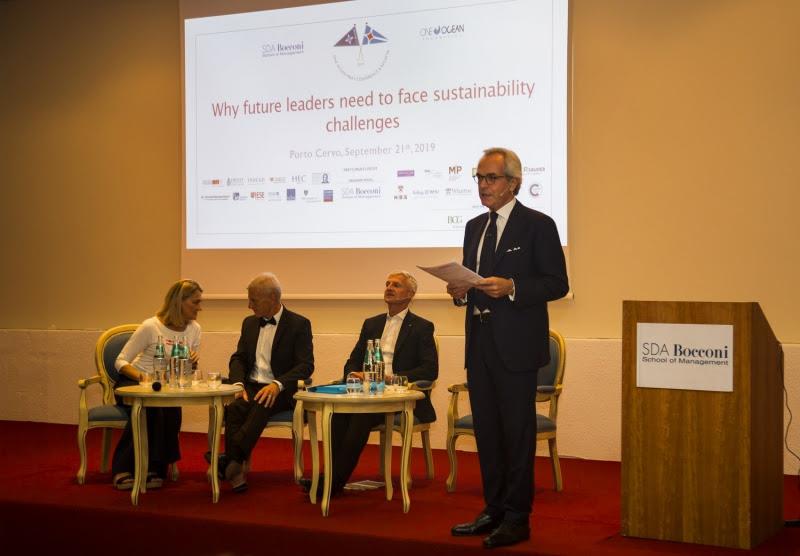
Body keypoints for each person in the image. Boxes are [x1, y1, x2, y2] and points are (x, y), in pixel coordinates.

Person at [447, 148, 569, 549]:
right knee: (488, 431)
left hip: (516, 348)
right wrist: (460, 291)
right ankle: (494, 508)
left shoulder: (538, 225)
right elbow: (469, 281)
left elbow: (556, 283)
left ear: (513, 182)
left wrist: (513, 287)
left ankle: (518, 517)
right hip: (480, 345)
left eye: (491, 178)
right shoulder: (472, 227)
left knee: (516, 434)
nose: (483, 185)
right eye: (479, 178)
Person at [300, 271, 438, 497]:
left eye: (396, 285)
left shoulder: (422, 327)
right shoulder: (371, 323)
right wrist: (352, 373)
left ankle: (331, 483)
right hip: (366, 392)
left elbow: (429, 370)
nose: (389, 288)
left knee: (360, 416)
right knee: (338, 414)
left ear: (411, 294)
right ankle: (332, 478)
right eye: (387, 284)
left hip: (397, 397)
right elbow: (352, 360)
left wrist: (390, 377)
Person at [219, 272, 314, 493]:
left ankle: (228, 460)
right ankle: (235, 469)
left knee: (264, 401)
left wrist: (278, 384)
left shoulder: (299, 324)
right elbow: (239, 357)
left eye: (253, 300)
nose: (248, 305)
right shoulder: (249, 323)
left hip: (281, 390)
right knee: (235, 407)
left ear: (272, 298)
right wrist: (238, 384)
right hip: (251, 386)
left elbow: (306, 365)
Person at [111, 279, 203, 490]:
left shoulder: (195, 329)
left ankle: (154, 467)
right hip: (134, 382)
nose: (200, 307)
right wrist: (143, 378)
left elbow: (185, 375)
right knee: (150, 409)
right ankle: (123, 468)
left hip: (164, 386)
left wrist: (192, 363)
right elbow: (121, 361)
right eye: (195, 302)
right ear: (179, 302)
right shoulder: (150, 326)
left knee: (170, 410)